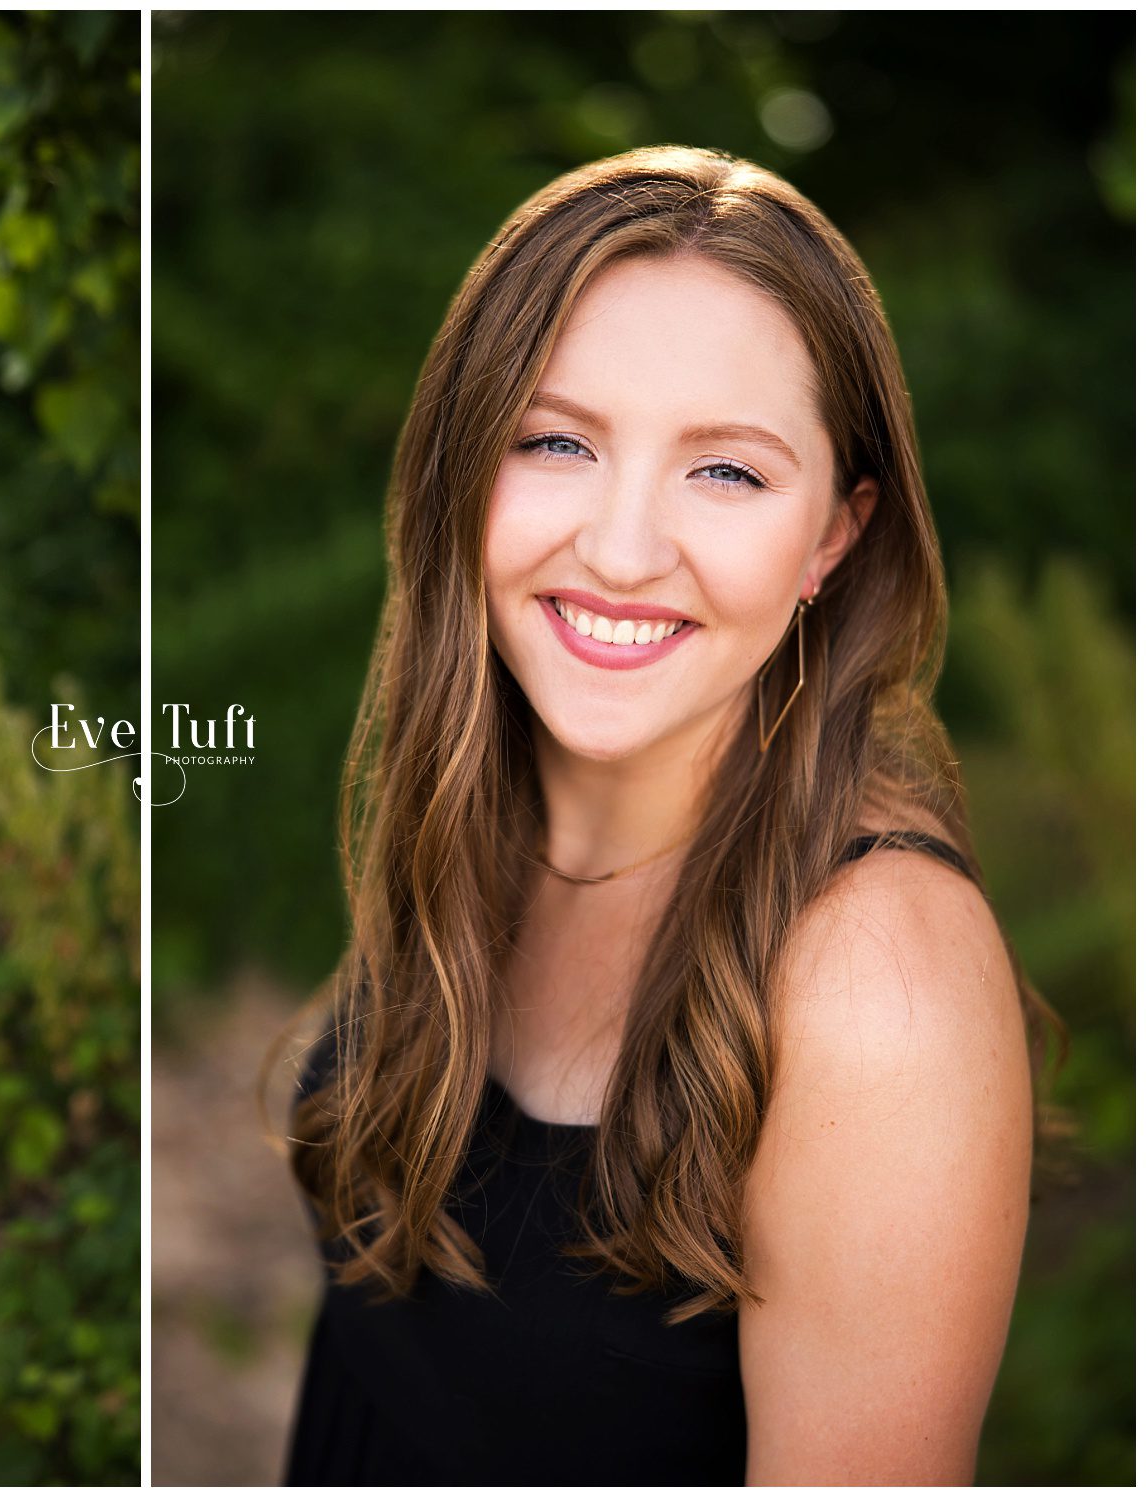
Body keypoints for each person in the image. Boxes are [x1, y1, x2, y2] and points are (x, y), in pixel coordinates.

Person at [281, 146, 1065, 1484]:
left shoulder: (878, 982)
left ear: (834, 537)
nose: (625, 546)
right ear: (466, 468)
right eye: (558, 440)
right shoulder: (478, 815)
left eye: (728, 473)